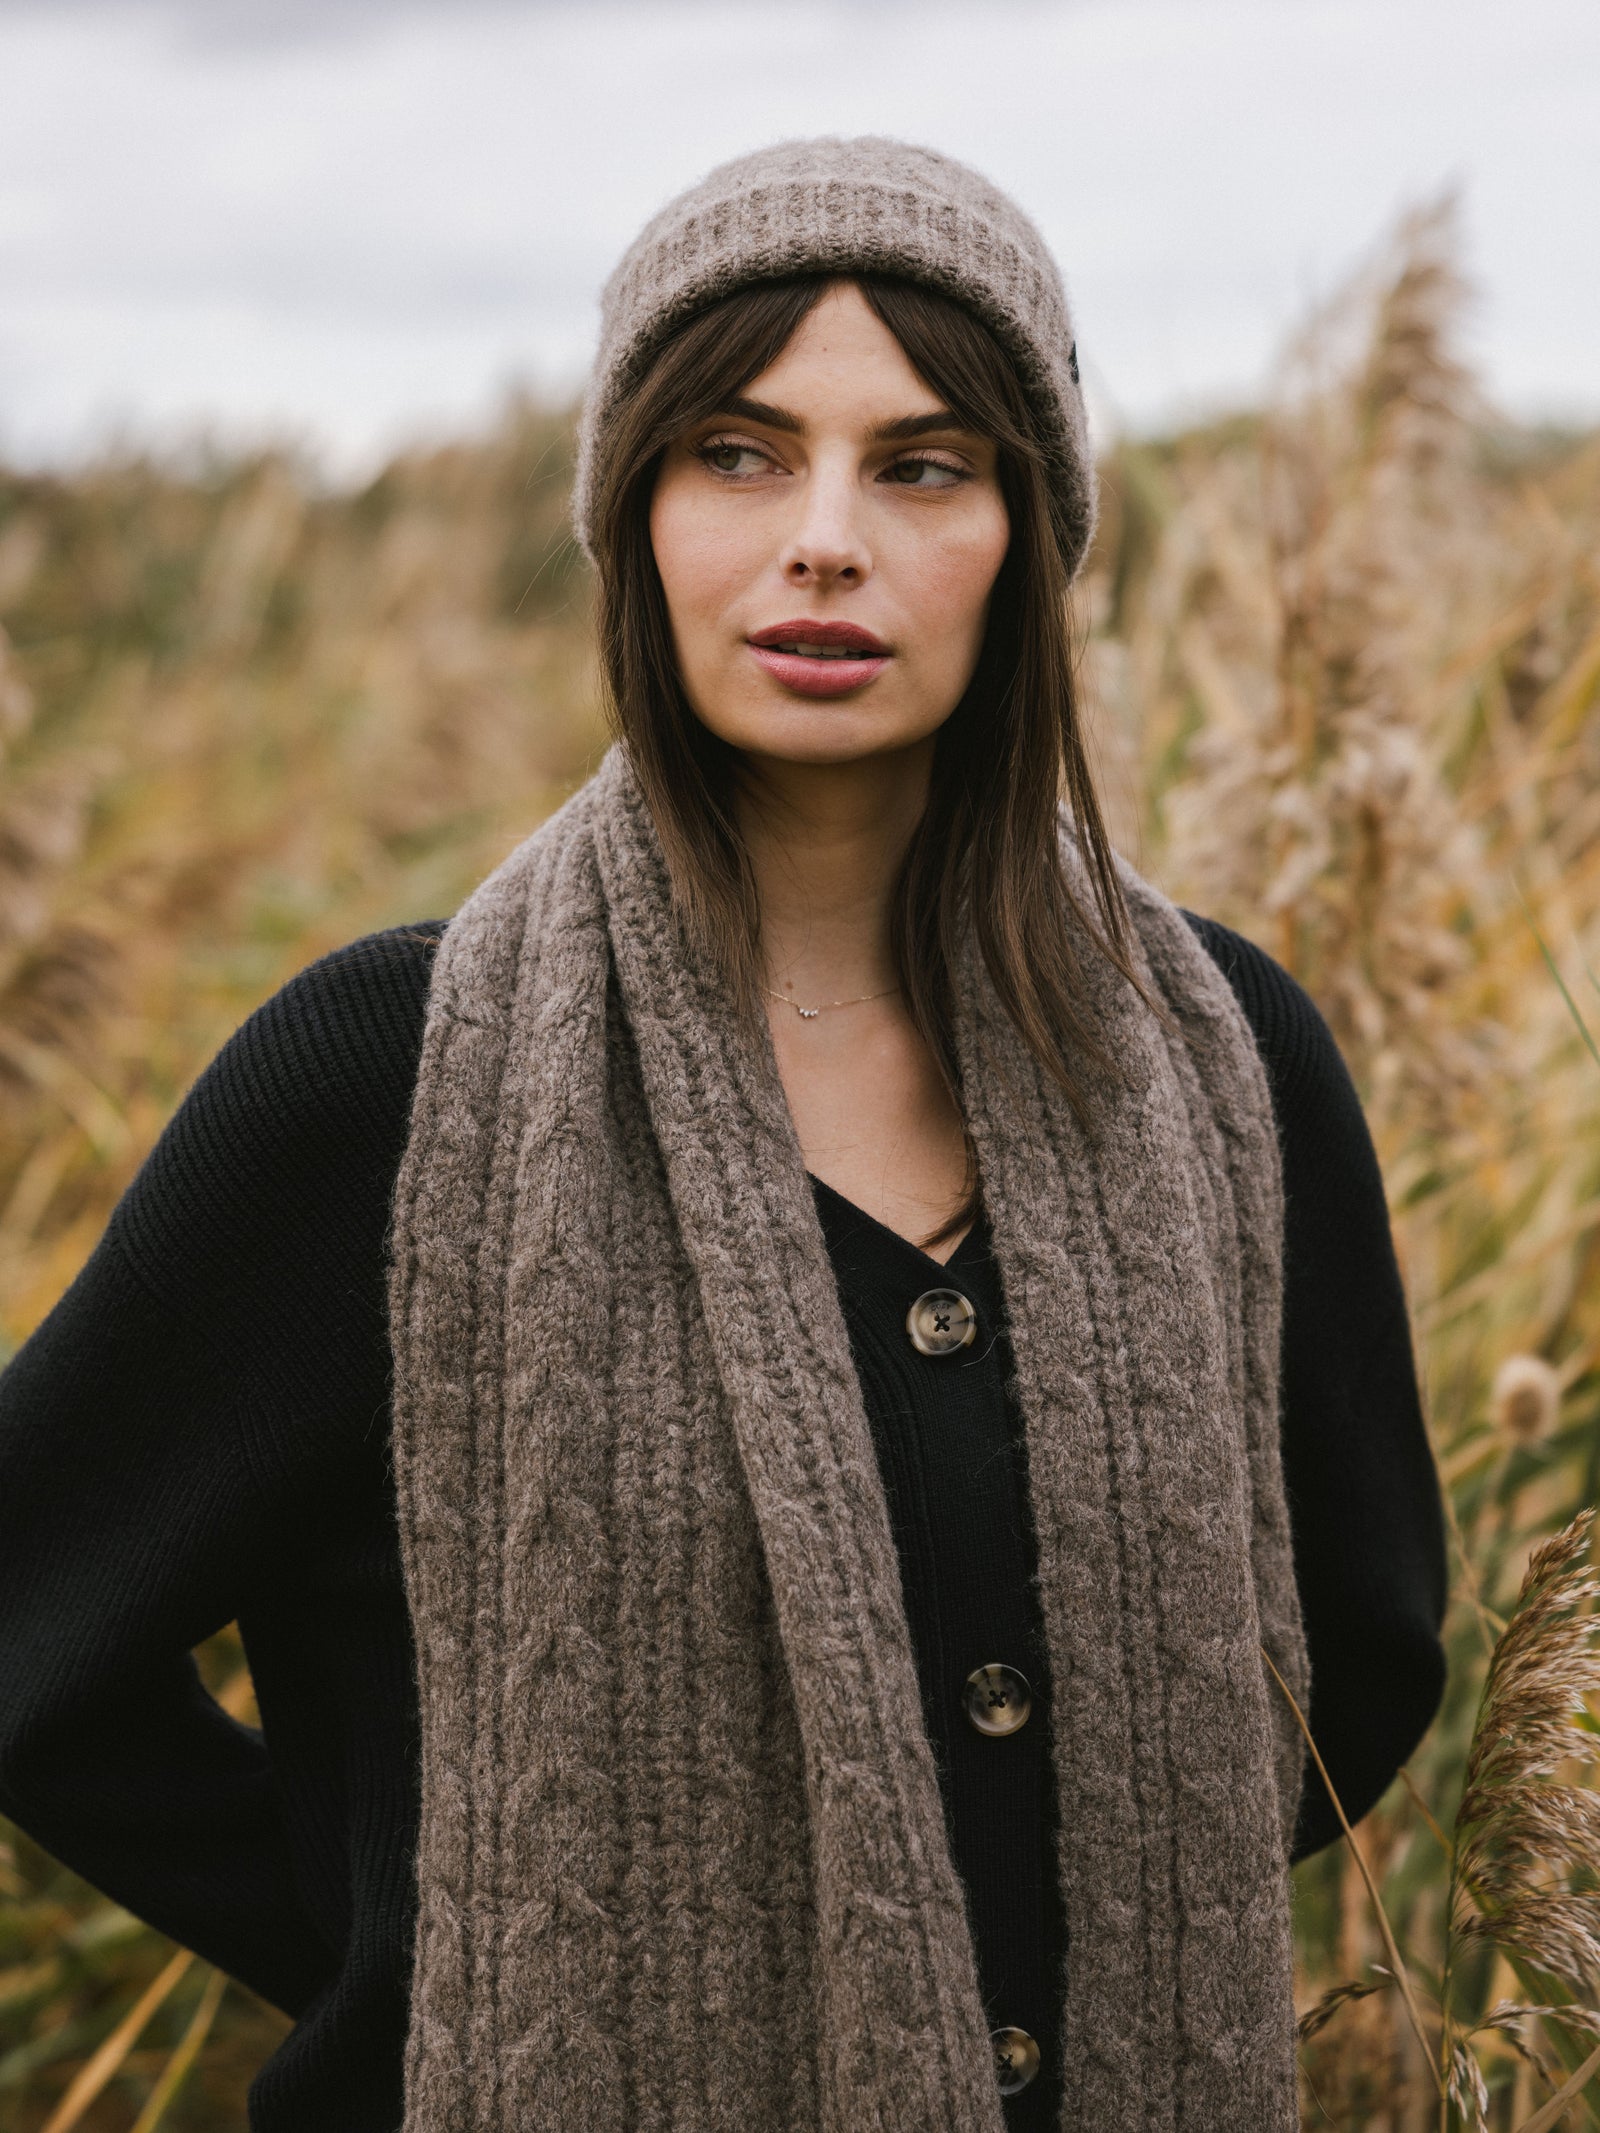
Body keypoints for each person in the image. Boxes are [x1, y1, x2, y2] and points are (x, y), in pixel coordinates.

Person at [0, 138, 1446, 2132]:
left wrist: (1057, 1941)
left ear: (1027, 533)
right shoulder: (383, 1078)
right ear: (632, 518)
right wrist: (422, 1957)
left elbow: (1354, 1655)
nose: (824, 539)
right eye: (739, 454)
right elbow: (30, 1634)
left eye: (922, 463)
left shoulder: (1222, 1063)